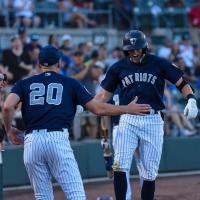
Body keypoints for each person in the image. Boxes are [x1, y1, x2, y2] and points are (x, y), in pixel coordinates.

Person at [2, 45, 151, 200]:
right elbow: (98, 109)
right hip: (57, 139)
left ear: (39, 64)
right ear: (59, 63)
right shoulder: (70, 83)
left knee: (42, 196)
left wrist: (9, 130)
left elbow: (6, 107)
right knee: (76, 195)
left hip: (31, 142)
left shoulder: (24, 83)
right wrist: (127, 108)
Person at [94, 30, 198, 200]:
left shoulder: (158, 63)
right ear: (125, 50)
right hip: (127, 118)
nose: (134, 52)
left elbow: (181, 83)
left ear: (144, 48)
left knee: (149, 172)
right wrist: (84, 104)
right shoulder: (118, 67)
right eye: (131, 49)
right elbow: (104, 96)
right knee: (120, 165)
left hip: (153, 119)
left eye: (138, 49)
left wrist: (191, 99)